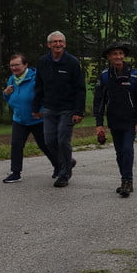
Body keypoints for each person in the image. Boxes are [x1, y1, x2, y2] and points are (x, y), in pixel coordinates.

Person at [32, 31, 86, 188]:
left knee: (63, 140)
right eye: (54, 42)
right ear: (48, 44)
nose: (58, 44)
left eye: (60, 41)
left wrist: (79, 111)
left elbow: (80, 89)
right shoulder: (43, 62)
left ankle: (64, 174)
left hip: (67, 109)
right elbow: (39, 86)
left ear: (65, 44)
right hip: (49, 108)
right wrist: (36, 107)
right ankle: (68, 161)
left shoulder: (72, 62)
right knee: (49, 141)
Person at [93, 43, 137, 198]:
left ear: (124, 56)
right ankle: (125, 180)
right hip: (114, 121)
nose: (118, 56)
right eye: (115, 54)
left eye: (120, 53)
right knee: (119, 153)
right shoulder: (104, 76)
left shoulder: (134, 74)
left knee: (127, 150)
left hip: (131, 121)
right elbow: (99, 101)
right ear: (108, 57)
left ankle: (127, 181)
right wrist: (99, 124)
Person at [1, 53, 60, 182]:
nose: (14, 68)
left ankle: (60, 166)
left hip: (38, 119)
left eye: (17, 65)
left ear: (25, 65)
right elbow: (10, 98)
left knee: (45, 145)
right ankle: (15, 173)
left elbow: (48, 95)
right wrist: (5, 94)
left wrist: (42, 111)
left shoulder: (36, 78)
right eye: (11, 65)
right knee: (16, 145)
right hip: (19, 119)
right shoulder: (12, 79)